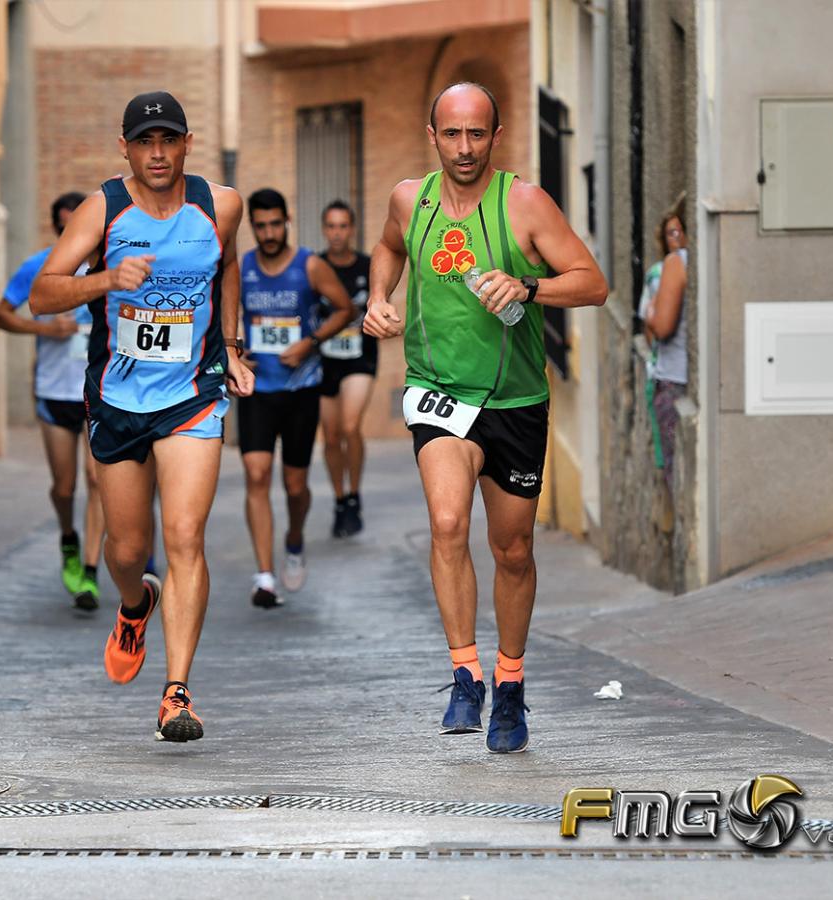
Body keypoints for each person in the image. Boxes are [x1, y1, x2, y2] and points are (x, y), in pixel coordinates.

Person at [363, 82, 607, 753]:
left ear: (495, 136)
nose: (464, 148)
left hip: (515, 400)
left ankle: (511, 682)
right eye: (452, 134)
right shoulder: (409, 200)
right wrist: (378, 297)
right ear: (432, 136)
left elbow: (592, 282)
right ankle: (465, 674)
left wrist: (529, 284)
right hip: (438, 392)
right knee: (447, 523)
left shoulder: (523, 203)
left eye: (476, 134)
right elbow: (387, 247)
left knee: (513, 549)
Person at [30, 91, 252, 743]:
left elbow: (228, 265)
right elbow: (43, 294)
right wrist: (106, 279)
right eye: (145, 142)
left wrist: (232, 345)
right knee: (127, 551)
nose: (158, 154)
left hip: (193, 394)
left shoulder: (221, 206)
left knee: (184, 537)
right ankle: (135, 604)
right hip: (118, 399)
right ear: (124, 148)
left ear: (187, 145)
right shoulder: (103, 209)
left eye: (169, 141)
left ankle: (176, 693)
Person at [237, 189, 354, 608]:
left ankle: (295, 536)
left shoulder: (310, 265)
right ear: (252, 226)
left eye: (275, 224)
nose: (269, 233)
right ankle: (264, 576)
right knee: (256, 475)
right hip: (256, 388)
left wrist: (311, 342)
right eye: (260, 226)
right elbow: (220, 313)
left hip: (301, 389)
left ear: (286, 221)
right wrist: (233, 351)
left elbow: (345, 308)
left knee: (295, 485)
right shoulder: (242, 267)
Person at [0, 192, 105, 611]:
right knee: (64, 486)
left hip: (99, 392)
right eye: (62, 225)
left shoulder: (107, 266)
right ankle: (68, 537)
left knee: (97, 480)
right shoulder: (39, 266)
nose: (69, 231)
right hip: (55, 391)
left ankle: (90, 572)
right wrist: (44, 330)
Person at [317, 199, 377, 538]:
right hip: (324, 360)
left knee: (350, 425)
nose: (337, 233)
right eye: (331, 226)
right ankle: (340, 499)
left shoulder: (368, 266)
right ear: (324, 230)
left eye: (343, 226)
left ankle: (354, 494)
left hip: (359, 358)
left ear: (351, 229)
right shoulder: (316, 266)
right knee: (330, 436)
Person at [641, 199, 688, 490]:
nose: (677, 237)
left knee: (674, 473)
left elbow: (661, 326)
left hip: (673, 377)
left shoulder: (676, 263)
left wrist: (651, 312)